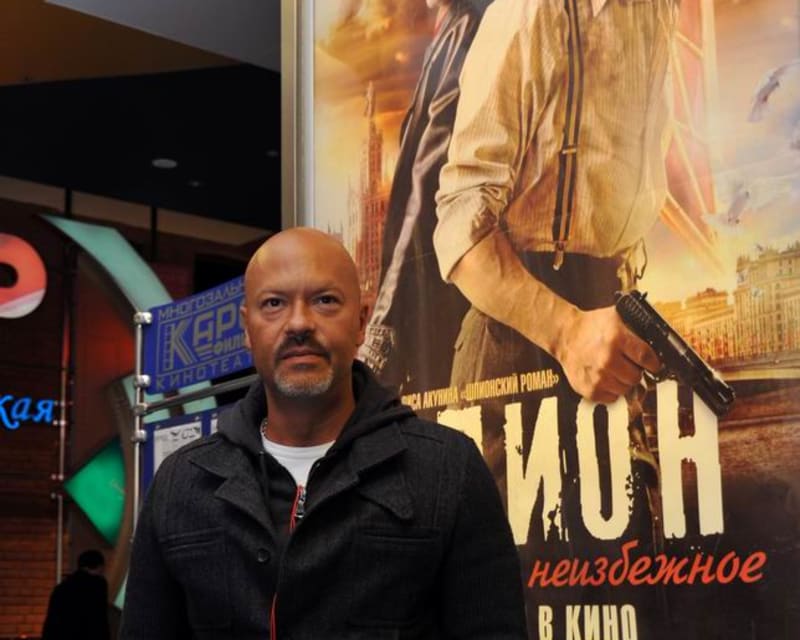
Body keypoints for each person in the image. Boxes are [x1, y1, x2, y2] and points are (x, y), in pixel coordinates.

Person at [120, 227, 526, 639]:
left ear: (362, 322)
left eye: (325, 301)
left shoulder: (446, 470)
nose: (299, 323)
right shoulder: (182, 484)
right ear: (246, 329)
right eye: (274, 303)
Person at [433, 0, 676, 636]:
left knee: (622, 602)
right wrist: (567, 332)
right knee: (517, 606)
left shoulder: (659, 12)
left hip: (612, 328)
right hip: (521, 342)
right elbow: (459, 225)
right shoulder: (528, 14)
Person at [360, 0, 489, 393]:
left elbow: (430, 179)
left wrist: (384, 326)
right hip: (447, 299)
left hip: (451, 302)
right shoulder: (453, 30)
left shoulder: (468, 26)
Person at [42, 549, 110, 640]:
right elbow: (99, 620)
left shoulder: (62, 587)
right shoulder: (98, 585)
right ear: (99, 567)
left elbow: (52, 621)